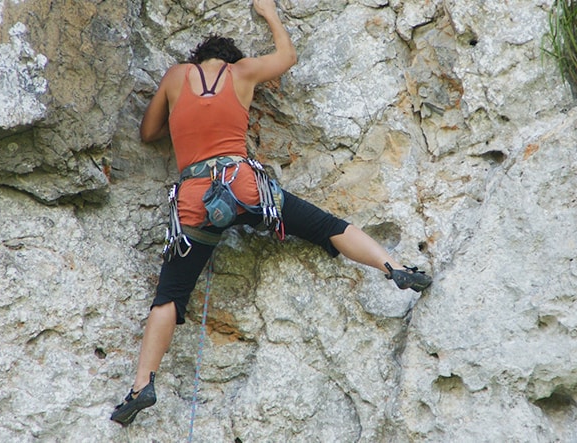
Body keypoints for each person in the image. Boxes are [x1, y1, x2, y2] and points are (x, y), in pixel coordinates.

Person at [110, 0, 431, 426]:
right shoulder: (243, 73)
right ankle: (392, 266)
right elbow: (287, 57)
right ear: (231, 59)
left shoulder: (175, 78)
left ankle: (141, 384)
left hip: (194, 196)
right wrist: (270, 13)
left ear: (197, 58)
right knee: (326, 226)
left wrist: (183, 115)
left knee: (169, 295)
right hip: (244, 184)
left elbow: (148, 132)